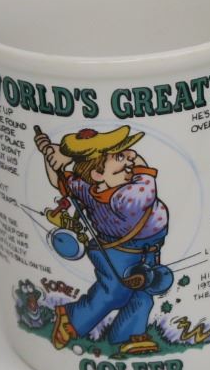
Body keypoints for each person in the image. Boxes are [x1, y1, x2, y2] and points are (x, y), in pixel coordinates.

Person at [33, 124, 174, 355]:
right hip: (117, 252)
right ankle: (71, 318)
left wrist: (54, 157)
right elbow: (145, 188)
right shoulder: (126, 197)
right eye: (119, 158)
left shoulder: (89, 187)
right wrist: (52, 156)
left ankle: (127, 336)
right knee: (114, 292)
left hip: (147, 250)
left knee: (143, 293)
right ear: (98, 175)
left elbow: (61, 180)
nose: (130, 159)